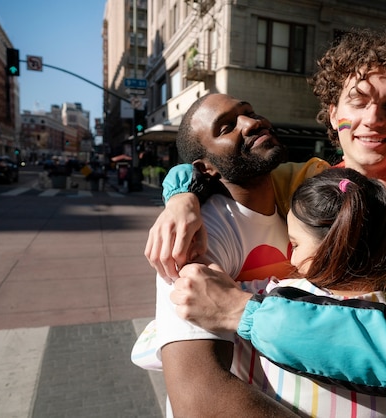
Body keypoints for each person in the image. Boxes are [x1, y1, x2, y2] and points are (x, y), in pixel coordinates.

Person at [147, 27, 386, 415]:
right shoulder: (305, 180)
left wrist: (241, 311)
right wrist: (182, 196)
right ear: (334, 114)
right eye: (358, 101)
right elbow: (224, 167)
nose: (373, 119)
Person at [139, 166, 386, 416]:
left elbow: (147, 351)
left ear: (328, 248)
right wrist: (181, 191)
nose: (290, 256)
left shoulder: (262, 300)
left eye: (295, 244)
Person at [134, 93, 326, 417]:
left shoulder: (292, 207)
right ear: (204, 168)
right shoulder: (199, 232)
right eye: (226, 128)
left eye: (249, 112)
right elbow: (197, 398)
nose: (252, 123)